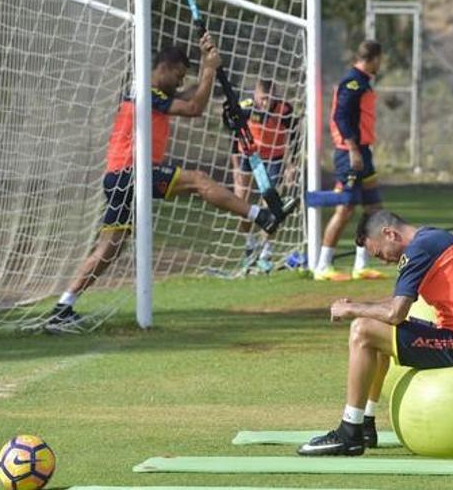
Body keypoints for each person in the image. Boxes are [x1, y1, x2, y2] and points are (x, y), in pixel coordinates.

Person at [49, 34, 288, 326]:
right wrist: (210, 70)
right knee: (199, 180)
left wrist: (206, 64)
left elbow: (189, 95)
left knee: (109, 249)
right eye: (178, 75)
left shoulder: (148, 91)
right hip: (132, 171)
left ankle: (63, 307)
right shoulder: (146, 91)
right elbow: (194, 108)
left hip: (121, 176)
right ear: (165, 67)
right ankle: (261, 216)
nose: (179, 82)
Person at [297, 210, 453, 456]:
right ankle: (366, 425)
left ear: (389, 234)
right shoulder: (433, 238)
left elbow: (396, 313)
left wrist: (352, 309)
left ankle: (349, 432)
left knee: (362, 329)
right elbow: (399, 304)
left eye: (379, 253)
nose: (384, 260)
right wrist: (361, 305)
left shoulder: (418, 250)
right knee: (376, 327)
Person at [312, 40, 386, 282]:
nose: (380, 64)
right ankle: (322, 266)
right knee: (345, 209)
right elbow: (340, 117)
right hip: (349, 153)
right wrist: (353, 149)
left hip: (363, 152)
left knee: (373, 208)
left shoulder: (363, 82)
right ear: (374, 58)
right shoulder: (352, 82)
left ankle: (360, 265)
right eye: (380, 59)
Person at [231, 79, 295, 273]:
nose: (265, 103)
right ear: (255, 96)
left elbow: (294, 136)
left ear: (274, 96)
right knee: (241, 202)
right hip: (249, 156)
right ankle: (250, 245)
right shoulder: (246, 108)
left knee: (272, 206)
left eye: (268, 98)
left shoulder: (284, 110)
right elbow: (235, 134)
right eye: (261, 98)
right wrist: (235, 165)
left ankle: (266, 251)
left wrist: (292, 165)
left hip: (274, 158)